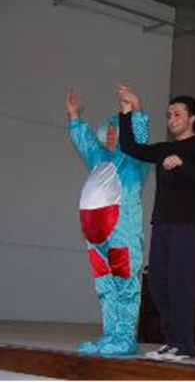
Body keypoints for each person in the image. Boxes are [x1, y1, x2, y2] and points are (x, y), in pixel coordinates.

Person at [118, 87, 195, 361]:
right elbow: (130, 147)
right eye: (169, 115)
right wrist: (128, 112)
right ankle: (172, 341)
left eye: (177, 114)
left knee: (181, 284)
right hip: (161, 223)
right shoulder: (163, 149)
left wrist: (182, 164)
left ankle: (184, 345)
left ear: (192, 118)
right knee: (158, 284)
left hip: (187, 225)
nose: (171, 119)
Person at [66, 85, 150, 357]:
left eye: (118, 128)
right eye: (109, 129)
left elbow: (139, 138)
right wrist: (74, 118)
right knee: (105, 285)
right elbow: (86, 142)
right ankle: (110, 334)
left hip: (121, 230)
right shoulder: (99, 157)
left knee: (125, 282)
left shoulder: (133, 159)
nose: (112, 132)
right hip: (96, 236)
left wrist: (135, 111)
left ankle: (125, 337)